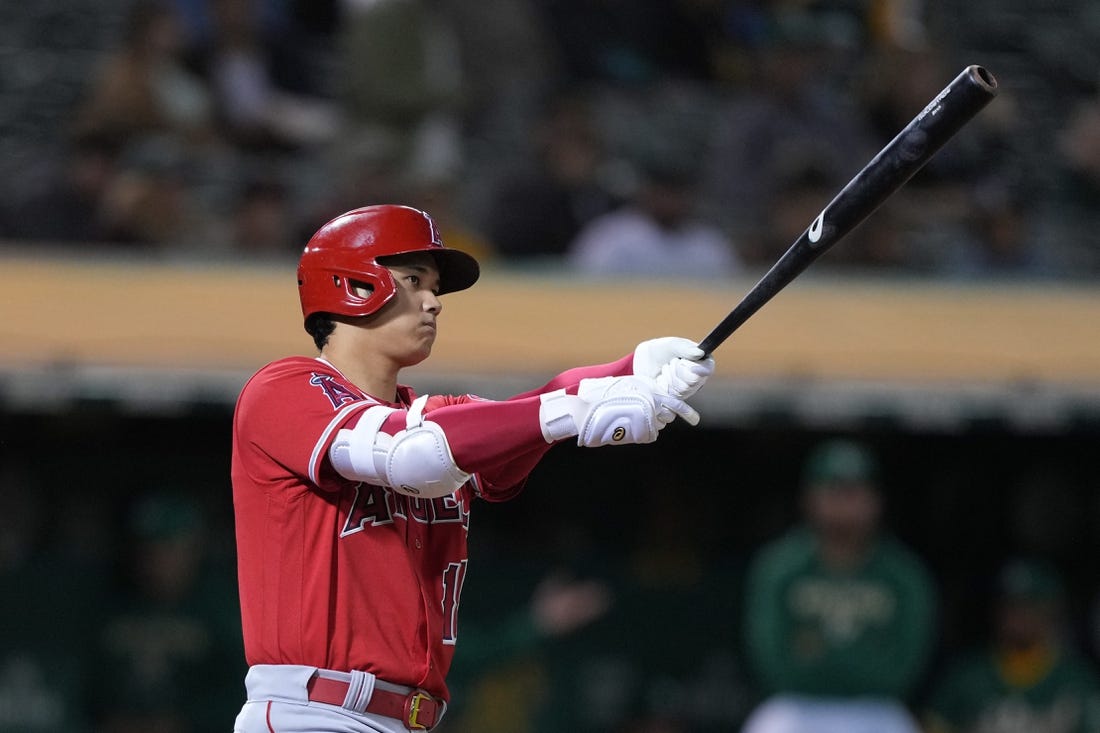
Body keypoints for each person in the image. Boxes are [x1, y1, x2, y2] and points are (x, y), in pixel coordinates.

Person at [229, 203, 715, 733]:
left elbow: (508, 439)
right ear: (353, 284)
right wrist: (572, 411)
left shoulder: (430, 415)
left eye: (433, 287)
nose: (434, 302)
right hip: (313, 712)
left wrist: (629, 371)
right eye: (414, 280)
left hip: (406, 718)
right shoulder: (285, 388)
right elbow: (413, 457)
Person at [740, 438, 937, 733]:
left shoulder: (903, 574)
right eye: (834, 491)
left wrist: (819, 656)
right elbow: (771, 662)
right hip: (797, 707)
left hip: (876, 709)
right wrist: (860, 659)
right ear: (809, 497)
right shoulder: (779, 568)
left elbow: (905, 668)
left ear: (876, 500)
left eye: (854, 492)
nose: (845, 504)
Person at [925, 557, 1100, 733]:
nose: (1017, 617)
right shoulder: (964, 676)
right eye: (1010, 605)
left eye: (1028, 605)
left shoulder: (1078, 681)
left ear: (1051, 610)